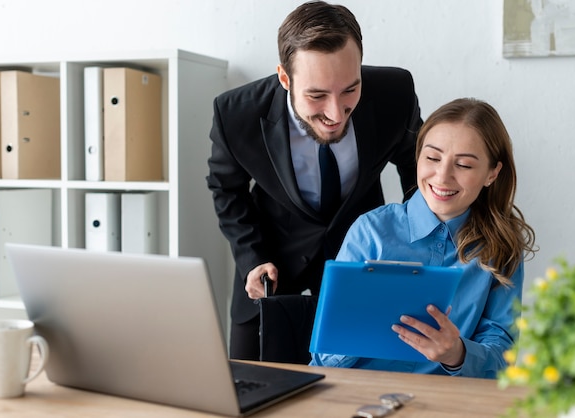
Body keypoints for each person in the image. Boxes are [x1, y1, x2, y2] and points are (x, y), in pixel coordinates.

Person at [206, 0, 422, 360]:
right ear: (285, 78)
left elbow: (416, 171)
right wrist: (252, 256)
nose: (336, 113)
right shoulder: (236, 113)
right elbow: (226, 189)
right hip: (271, 270)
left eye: (350, 90)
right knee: (251, 392)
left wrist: (415, 247)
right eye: (317, 95)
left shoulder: (395, 94)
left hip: (362, 266)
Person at [310, 98, 537, 378]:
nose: (442, 176)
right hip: (361, 395)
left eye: (464, 165)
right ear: (418, 157)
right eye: (432, 158)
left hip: (448, 403)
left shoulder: (501, 246)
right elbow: (322, 359)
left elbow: (503, 357)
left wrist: (457, 354)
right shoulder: (370, 231)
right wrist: (363, 324)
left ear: (492, 173)